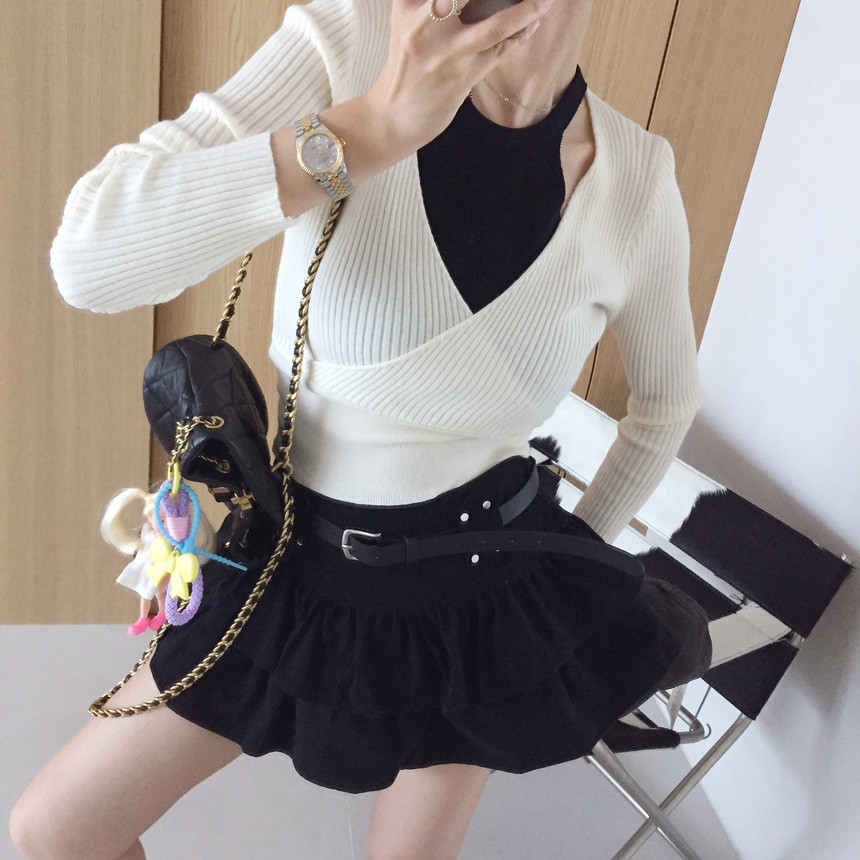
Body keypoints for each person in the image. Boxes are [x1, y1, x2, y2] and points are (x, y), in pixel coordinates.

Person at [10, 0, 712, 857]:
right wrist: (371, 128)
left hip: (481, 593)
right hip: (289, 563)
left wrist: (564, 574)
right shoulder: (351, 38)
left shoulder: (635, 175)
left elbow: (666, 405)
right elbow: (89, 259)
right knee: (55, 833)